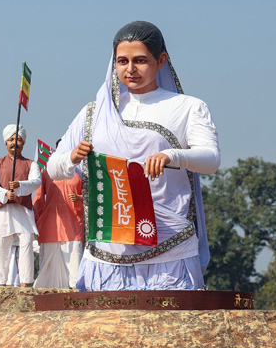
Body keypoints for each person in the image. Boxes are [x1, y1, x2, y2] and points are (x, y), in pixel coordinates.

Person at [48, 20, 220, 290]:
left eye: (140, 60)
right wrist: (72, 157)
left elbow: (211, 160)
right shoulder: (95, 113)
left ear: (161, 60)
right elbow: (53, 168)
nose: (130, 69)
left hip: (169, 245)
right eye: (122, 61)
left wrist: (172, 156)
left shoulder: (187, 107)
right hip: (108, 247)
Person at [0, 125, 42, 286]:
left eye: (18, 139)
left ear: (23, 142)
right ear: (5, 142)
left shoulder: (31, 164)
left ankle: (25, 282)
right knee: (1, 245)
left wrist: (19, 186)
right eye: (11, 139)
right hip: (4, 209)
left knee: (26, 244)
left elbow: (36, 181)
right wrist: (5, 193)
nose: (14, 143)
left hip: (23, 210)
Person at [33, 166, 84, 289]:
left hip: (73, 225)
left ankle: (77, 296)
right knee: (47, 268)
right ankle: (45, 296)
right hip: (50, 226)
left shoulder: (80, 172)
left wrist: (79, 198)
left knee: (75, 266)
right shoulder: (47, 173)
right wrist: (34, 222)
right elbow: (39, 198)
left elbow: (91, 195)